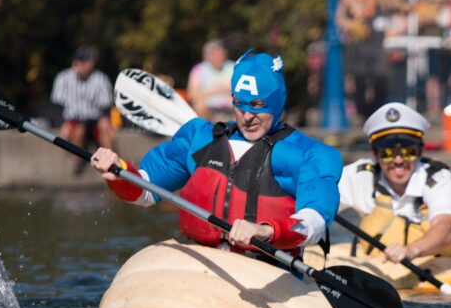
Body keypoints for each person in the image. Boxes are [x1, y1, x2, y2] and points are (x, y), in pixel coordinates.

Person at [90, 51, 342, 256]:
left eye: (257, 105)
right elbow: (144, 191)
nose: (247, 116)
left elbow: (314, 220)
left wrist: (265, 231)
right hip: (206, 263)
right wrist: (120, 172)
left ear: (277, 103)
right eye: (239, 104)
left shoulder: (308, 154)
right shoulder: (199, 138)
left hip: (265, 270)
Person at [338, 102, 451, 264]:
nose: (398, 161)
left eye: (408, 152)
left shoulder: (438, 177)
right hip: (377, 262)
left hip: (429, 262)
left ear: (420, 152)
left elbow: (447, 225)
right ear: (375, 154)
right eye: (388, 153)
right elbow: (319, 201)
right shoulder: (359, 175)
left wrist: (411, 250)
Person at [335, 0, 402, 120]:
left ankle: (375, 112)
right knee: (360, 80)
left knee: (381, 79)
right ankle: (363, 114)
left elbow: (400, 6)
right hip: (358, 45)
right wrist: (353, 26)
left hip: (377, 44)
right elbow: (339, 18)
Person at [51, 46, 115, 174]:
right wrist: (61, 123)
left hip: (94, 120)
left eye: (84, 62)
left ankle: (111, 165)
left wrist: (107, 122)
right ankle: (77, 163)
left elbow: (105, 107)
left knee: (104, 126)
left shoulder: (100, 79)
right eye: (79, 62)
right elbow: (56, 106)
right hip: (73, 120)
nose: (79, 65)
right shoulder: (63, 78)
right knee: (79, 129)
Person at [187, 39, 235, 120]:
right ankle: (206, 131)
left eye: (221, 54)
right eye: (215, 54)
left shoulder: (233, 67)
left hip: (231, 107)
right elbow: (192, 94)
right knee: (199, 105)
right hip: (208, 108)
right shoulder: (199, 69)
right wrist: (219, 90)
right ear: (207, 56)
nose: (219, 57)